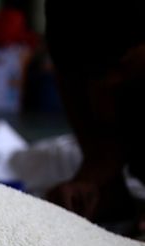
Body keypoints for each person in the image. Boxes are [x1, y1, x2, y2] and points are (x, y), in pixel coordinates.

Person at [45, 0, 145, 231]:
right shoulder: (78, 64)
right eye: (94, 75)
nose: (108, 83)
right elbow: (109, 143)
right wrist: (88, 181)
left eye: (122, 66)